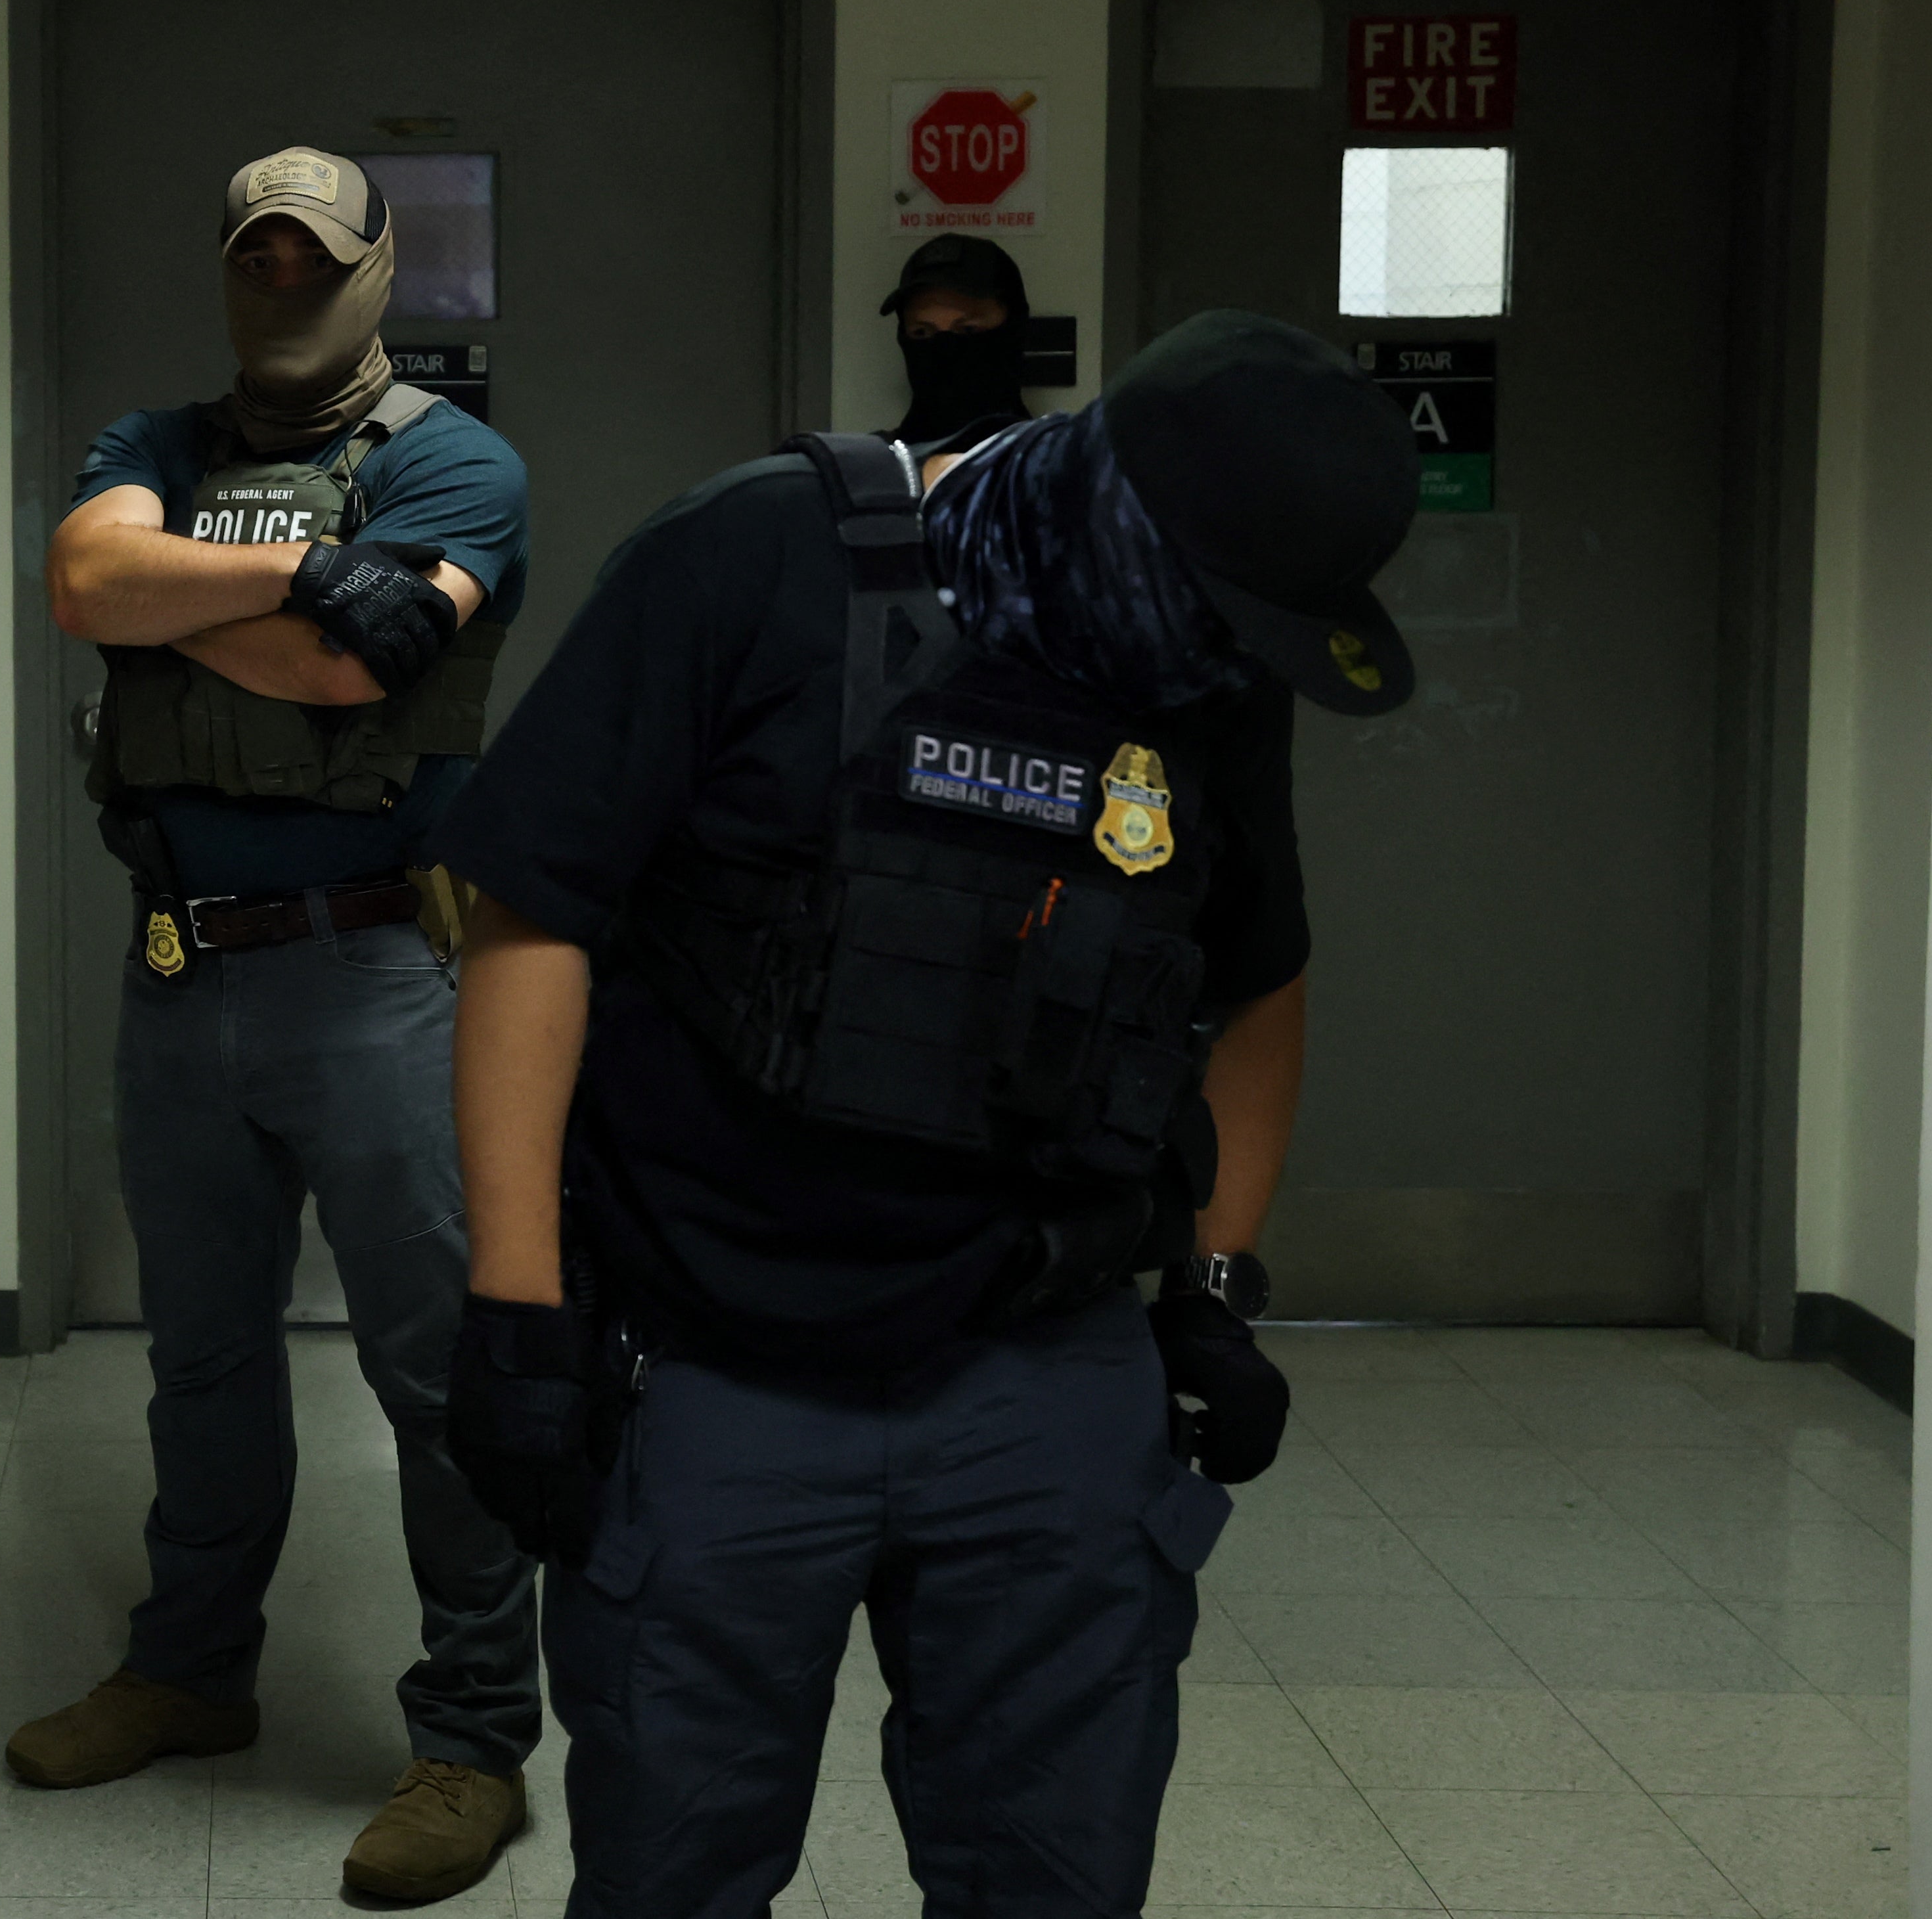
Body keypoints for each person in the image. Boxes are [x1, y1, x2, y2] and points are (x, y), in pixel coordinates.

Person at [436, 311, 1420, 1918]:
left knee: (1050, 1868)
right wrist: (515, 1296)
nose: (1221, 652)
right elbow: (531, 914)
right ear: (1115, 511)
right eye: (1214, 611)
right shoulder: (748, 559)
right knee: (673, 1866)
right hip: (715, 1360)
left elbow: (1255, 975)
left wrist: (1217, 1284)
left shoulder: (1205, 658)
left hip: (1043, 1366)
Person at [14, 147, 539, 1903]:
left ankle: (470, 1733)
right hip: (178, 972)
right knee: (203, 1358)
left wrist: (191, 603)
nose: (282, 281)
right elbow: (87, 585)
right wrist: (305, 577)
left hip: (374, 973)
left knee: (434, 1374)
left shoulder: (454, 459)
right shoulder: (149, 441)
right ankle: (190, 1666)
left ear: (374, 269)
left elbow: (353, 677)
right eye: (255, 254)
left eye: (313, 255)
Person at [884, 231, 1035, 450]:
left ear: (1014, 329)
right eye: (922, 333)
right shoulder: (877, 472)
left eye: (969, 330)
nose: (944, 349)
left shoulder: (1054, 473)